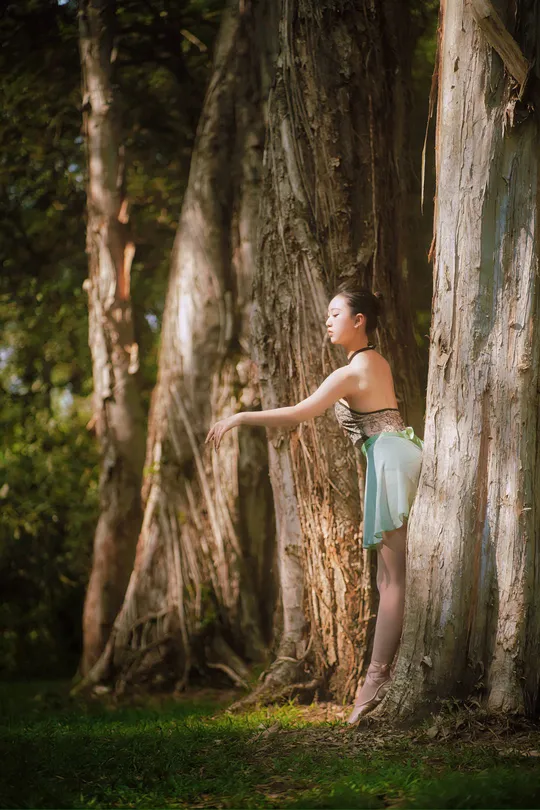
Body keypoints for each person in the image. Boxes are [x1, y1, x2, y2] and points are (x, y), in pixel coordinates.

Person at [205, 285, 423, 723]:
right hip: (394, 453)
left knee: (393, 582)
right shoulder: (372, 362)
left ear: (358, 320)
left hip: (390, 459)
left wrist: (239, 417)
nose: (328, 320)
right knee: (389, 579)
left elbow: (298, 413)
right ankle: (382, 678)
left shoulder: (354, 371)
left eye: (335, 312)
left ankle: (375, 683)